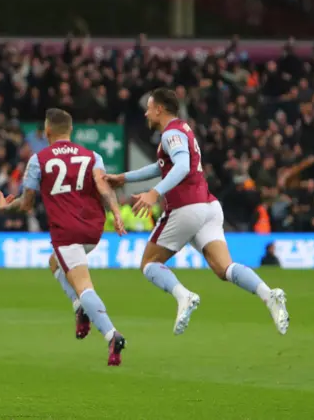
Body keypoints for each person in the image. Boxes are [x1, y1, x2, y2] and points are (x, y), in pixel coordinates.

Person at [104, 88, 289, 336]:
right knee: (225, 268)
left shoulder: (171, 134)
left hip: (185, 207)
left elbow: (181, 167)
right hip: (208, 206)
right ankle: (269, 294)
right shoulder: (182, 130)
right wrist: (124, 178)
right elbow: (162, 166)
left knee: (149, 263)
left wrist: (154, 193)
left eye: (149, 107)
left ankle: (184, 296)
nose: (146, 113)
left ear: (160, 109)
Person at [0, 108, 128, 366]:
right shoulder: (92, 156)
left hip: (67, 230)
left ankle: (112, 334)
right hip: (93, 229)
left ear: (47, 132)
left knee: (83, 285)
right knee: (54, 263)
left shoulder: (38, 159)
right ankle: (80, 308)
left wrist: (7, 205)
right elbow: (103, 186)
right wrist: (116, 213)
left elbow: (27, 205)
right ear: (71, 131)